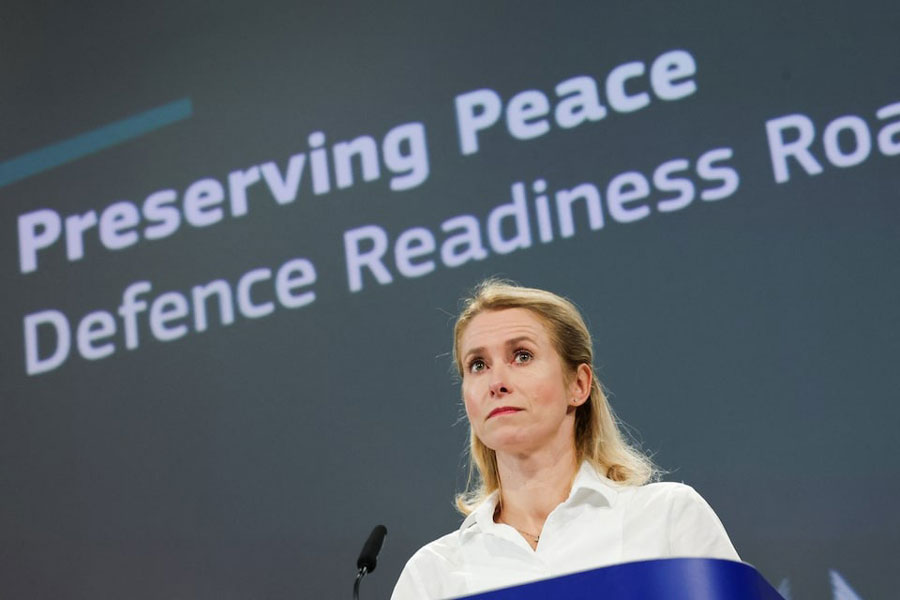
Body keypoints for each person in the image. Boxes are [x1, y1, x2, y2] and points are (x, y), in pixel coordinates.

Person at [391, 280, 739, 599]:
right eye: (478, 365)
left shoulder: (666, 517)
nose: (496, 381)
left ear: (578, 385)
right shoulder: (431, 575)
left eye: (522, 356)